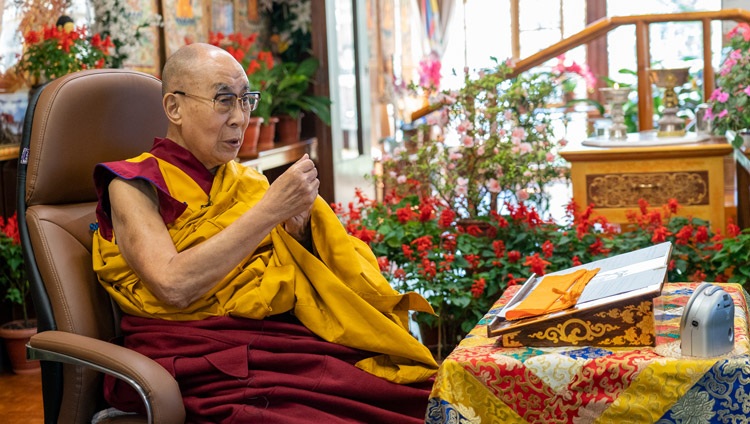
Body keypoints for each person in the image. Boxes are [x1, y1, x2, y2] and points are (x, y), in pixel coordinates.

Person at [91, 43, 438, 423]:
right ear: (174, 108)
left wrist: (298, 229)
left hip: (277, 340)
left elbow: (298, 271)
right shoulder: (131, 184)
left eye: (246, 100)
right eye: (224, 100)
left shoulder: (245, 181)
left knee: (403, 390)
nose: (240, 118)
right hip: (205, 357)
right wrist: (270, 211)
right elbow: (173, 285)